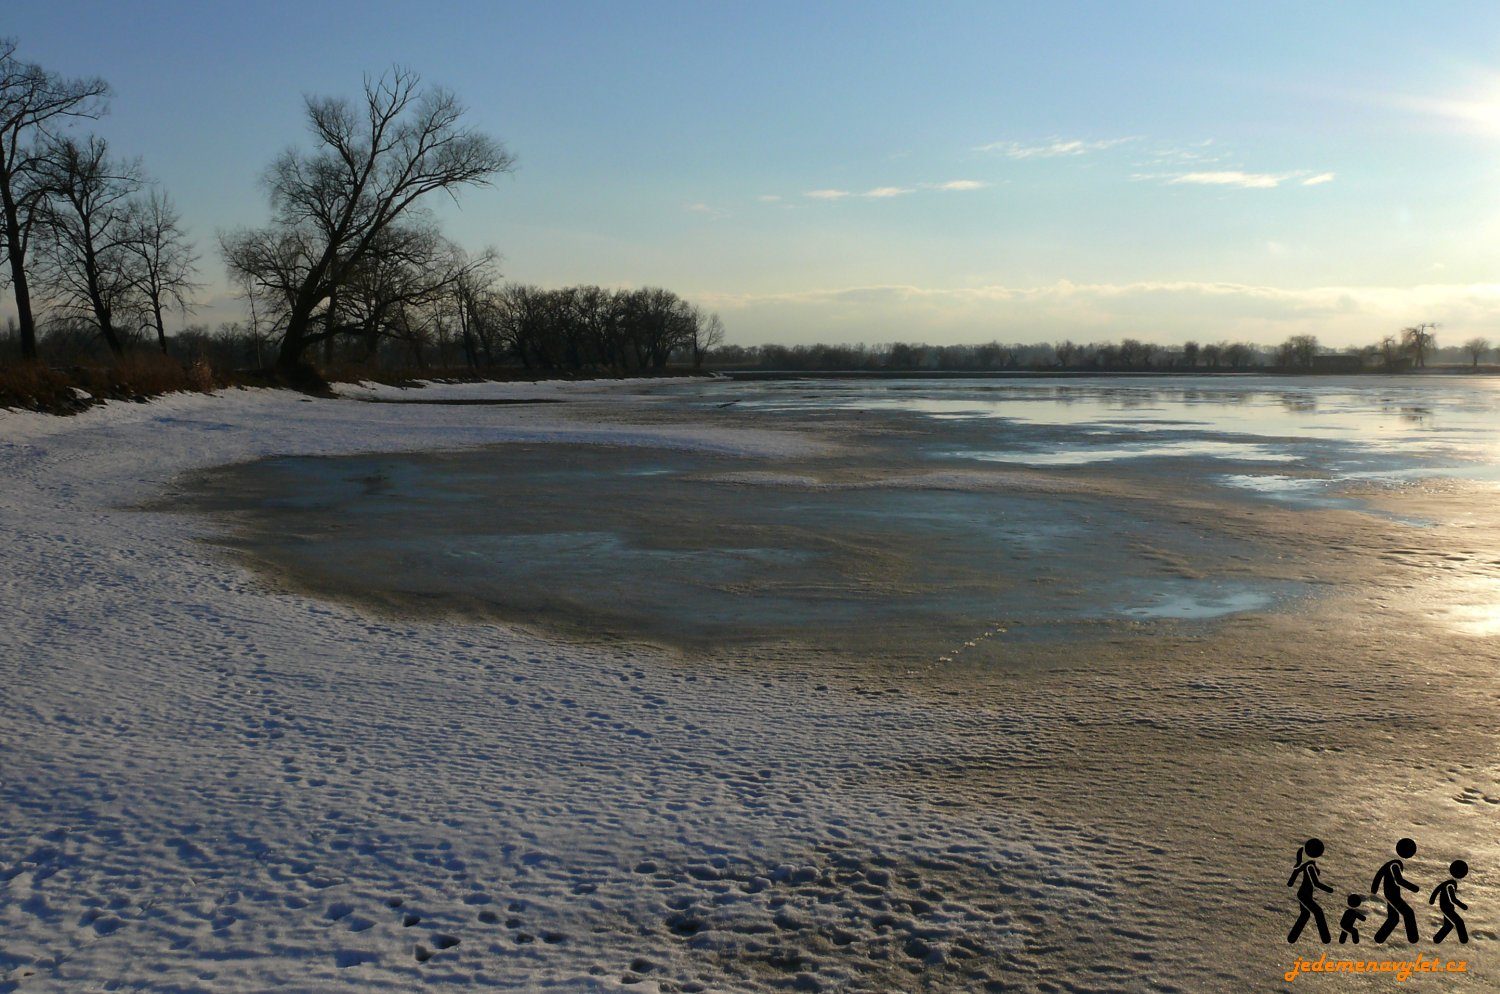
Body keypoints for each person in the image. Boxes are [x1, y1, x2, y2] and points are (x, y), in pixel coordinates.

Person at [1371, 838, 1420, 943]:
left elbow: (1379, 874)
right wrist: (1414, 888)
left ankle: (1379, 938)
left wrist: (1374, 889)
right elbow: (1399, 880)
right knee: (1408, 913)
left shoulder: (1390, 864)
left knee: (1393, 918)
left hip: (1390, 894)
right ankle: (1413, 938)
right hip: (1392, 895)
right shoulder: (1395, 865)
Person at [1288, 838, 1334, 943]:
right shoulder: (1309, 867)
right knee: (1318, 912)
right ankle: (1325, 938)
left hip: (1304, 894)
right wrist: (1330, 890)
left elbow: (1295, 872)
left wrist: (1291, 882)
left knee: (1305, 914)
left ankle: (1292, 938)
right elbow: (1316, 883)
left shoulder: (1307, 865)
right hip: (1304, 895)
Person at [1430, 860, 1470, 944]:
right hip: (1447, 908)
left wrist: (1432, 900)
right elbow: (1453, 899)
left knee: (1448, 925)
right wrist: (1462, 906)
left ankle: (1437, 939)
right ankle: (1464, 940)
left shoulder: (1447, 884)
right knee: (1459, 922)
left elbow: (1437, 890)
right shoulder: (1450, 885)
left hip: (1446, 907)